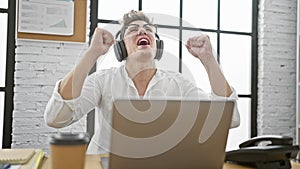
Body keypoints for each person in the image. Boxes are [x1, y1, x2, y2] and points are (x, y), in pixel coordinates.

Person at [44, 10, 240, 154]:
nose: (142, 32)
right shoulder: (103, 80)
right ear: (121, 48)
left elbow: (229, 118)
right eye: (133, 30)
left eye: (148, 30)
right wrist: (92, 53)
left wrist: (208, 59)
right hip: (103, 164)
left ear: (157, 45)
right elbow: (56, 117)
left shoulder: (178, 83)